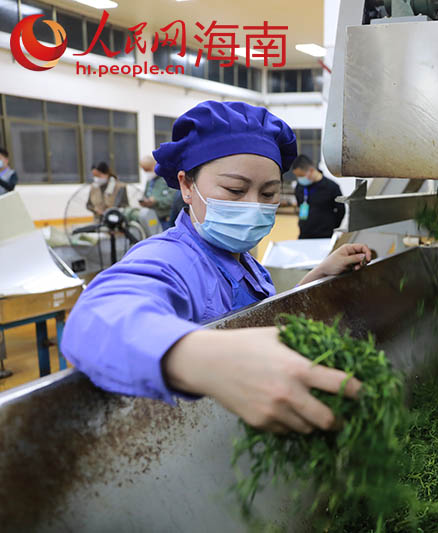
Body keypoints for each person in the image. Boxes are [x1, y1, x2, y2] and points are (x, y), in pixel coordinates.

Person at [61, 101, 372, 435]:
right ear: (186, 185)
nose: (254, 206)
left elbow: (256, 317)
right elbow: (95, 319)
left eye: (268, 193)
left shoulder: (245, 261)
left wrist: (315, 279)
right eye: (234, 190)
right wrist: (208, 359)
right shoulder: (170, 258)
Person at [290, 155, 345, 239]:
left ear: (311, 170)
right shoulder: (299, 187)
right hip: (304, 233)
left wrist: (331, 226)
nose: (300, 179)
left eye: (301, 176)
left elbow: (341, 210)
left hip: (325, 235)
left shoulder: (332, 187)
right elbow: (300, 206)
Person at [138, 155, 174, 230]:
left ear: (154, 165)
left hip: (165, 220)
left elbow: (173, 200)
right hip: (151, 219)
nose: (146, 173)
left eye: (148, 170)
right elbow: (146, 196)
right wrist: (145, 202)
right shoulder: (149, 181)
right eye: (144, 170)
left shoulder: (167, 179)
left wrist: (156, 201)